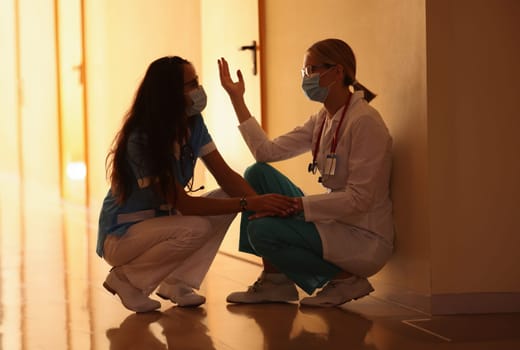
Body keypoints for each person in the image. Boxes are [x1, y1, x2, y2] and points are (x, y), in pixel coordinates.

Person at [97, 56, 298, 313]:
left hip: (161, 222)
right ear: (168, 93)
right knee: (196, 226)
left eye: (197, 82)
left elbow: (224, 174)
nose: (198, 91)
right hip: (123, 235)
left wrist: (260, 207)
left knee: (227, 196)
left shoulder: (191, 124)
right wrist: (251, 202)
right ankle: (126, 280)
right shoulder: (142, 138)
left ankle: (177, 282)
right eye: (190, 85)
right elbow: (184, 204)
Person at [218, 38, 394, 307]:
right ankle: (276, 281)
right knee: (257, 173)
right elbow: (266, 152)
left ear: (337, 71)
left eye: (312, 70)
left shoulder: (365, 122)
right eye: (305, 72)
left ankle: (344, 280)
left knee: (262, 230)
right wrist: (237, 99)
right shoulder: (323, 119)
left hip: (363, 236)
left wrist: (297, 205)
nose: (306, 78)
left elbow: (360, 199)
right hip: (335, 221)